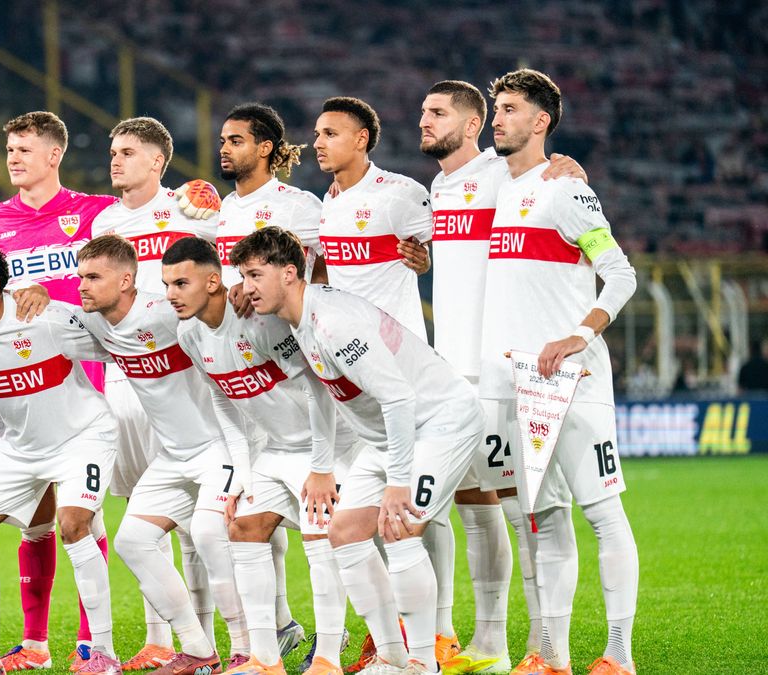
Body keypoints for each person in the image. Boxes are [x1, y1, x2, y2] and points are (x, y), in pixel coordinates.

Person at [230, 226, 484, 675]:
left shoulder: (334, 323)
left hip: (440, 422)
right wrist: (322, 467)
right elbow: (320, 391)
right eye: (243, 276)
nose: (245, 288)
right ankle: (392, 655)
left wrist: (399, 480)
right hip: (388, 435)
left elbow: (399, 398)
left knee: (399, 528)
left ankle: (424, 663)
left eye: (253, 275)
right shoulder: (298, 321)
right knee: (344, 531)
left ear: (289, 273)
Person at [409, 80, 588, 672]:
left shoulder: (501, 174)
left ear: (473, 122)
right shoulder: (440, 185)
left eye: (438, 114)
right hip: (451, 369)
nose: (425, 122)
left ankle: (544, 646)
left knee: (521, 507)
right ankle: (487, 644)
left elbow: (549, 185)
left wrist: (568, 166)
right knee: (468, 501)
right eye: (423, 113)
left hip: (500, 369)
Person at [480, 69, 639, 675]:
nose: (498, 118)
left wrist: (580, 334)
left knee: (602, 513)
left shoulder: (565, 191)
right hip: (515, 382)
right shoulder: (499, 187)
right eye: (496, 108)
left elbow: (620, 273)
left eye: (511, 109)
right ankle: (552, 658)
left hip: (573, 377)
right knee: (542, 519)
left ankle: (619, 656)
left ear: (541, 121)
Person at [163, 236, 353, 675]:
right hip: (274, 451)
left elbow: (318, 389)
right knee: (243, 528)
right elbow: (224, 402)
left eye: (180, 283)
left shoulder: (259, 320)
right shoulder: (189, 333)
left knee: (320, 542)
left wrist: (322, 469)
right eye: (167, 284)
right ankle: (265, 660)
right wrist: (242, 476)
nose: (170, 294)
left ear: (214, 282)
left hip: (325, 447)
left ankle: (327, 657)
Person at [0, 111, 115, 670]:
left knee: (87, 519)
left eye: (24, 149)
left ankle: (92, 643)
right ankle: (35, 643)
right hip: (26, 388)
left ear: (54, 155)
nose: (12, 157)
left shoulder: (95, 213)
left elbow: (147, 232)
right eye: (9, 148)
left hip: (93, 382)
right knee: (38, 517)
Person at [0, 240, 122, 675]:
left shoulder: (47, 319)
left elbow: (113, 343)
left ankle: (104, 654)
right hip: (21, 448)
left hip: (83, 437)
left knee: (74, 523)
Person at [72, 234, 250, 674]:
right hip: (172, 457)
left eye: (94, 277)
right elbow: (51, 322)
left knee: (209, 534)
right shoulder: (96, 323)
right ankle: (197, 649)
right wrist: (33, 295)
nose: (82, 286)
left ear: (127, 280)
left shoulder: (168, 314)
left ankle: (249, 649)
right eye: (81, 277)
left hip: (219, 449)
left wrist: (238, 293)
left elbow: (226, 323)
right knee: (132, 541)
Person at [90, 117, 223, 670]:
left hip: (184, 365)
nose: (116, 161)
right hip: (128, 375)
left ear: (157, 162)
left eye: (127, 152)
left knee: (201, 522)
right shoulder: (105, 220)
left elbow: (219, 267)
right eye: (113, 152)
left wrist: (214, 220)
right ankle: (162, 637)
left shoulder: (185, 208)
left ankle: (233, 636)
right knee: (143, 509)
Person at [212, 102, 317, 655]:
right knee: (255, 512)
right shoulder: (221, 211)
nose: (224, 148)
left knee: (329, 524)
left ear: (267, 148)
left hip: (294, 370)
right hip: (240, 373)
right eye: (223, 140)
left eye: (235, 140)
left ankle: (376, 636)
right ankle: (276, 627)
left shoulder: (298, 207)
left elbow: (313, 279)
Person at [313, 96, 431, 341]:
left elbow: (451, 243)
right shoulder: (330, 199)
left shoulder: (400, 192)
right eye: (317, 135)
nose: (318, 143)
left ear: (361, 139)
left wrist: (425, 261)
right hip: (348, 349)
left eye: (330, 134)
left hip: (397, 351)